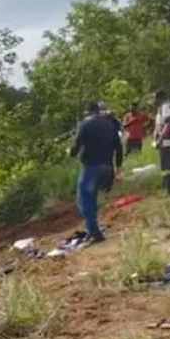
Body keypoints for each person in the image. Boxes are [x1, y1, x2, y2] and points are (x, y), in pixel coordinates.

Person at [70, 100, 123, 243]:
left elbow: (75, 148)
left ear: (87, 112)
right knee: (91, 199)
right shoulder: (110, 125)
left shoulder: (84, 124)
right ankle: (92, 228)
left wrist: (70, 152)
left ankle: (94, 233)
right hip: (107, 168)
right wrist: (118, 168)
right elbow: (119, 149)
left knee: (84, 201)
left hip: (91, 168)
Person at [155, 89, 170, 194]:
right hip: (168, 140)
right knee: (167, 165)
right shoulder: (166, 106)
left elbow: (169, 124)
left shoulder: (165, 107)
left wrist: (160, 139)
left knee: (167, 165)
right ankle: (168, 188)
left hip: (167, 140)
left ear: (160, 98)